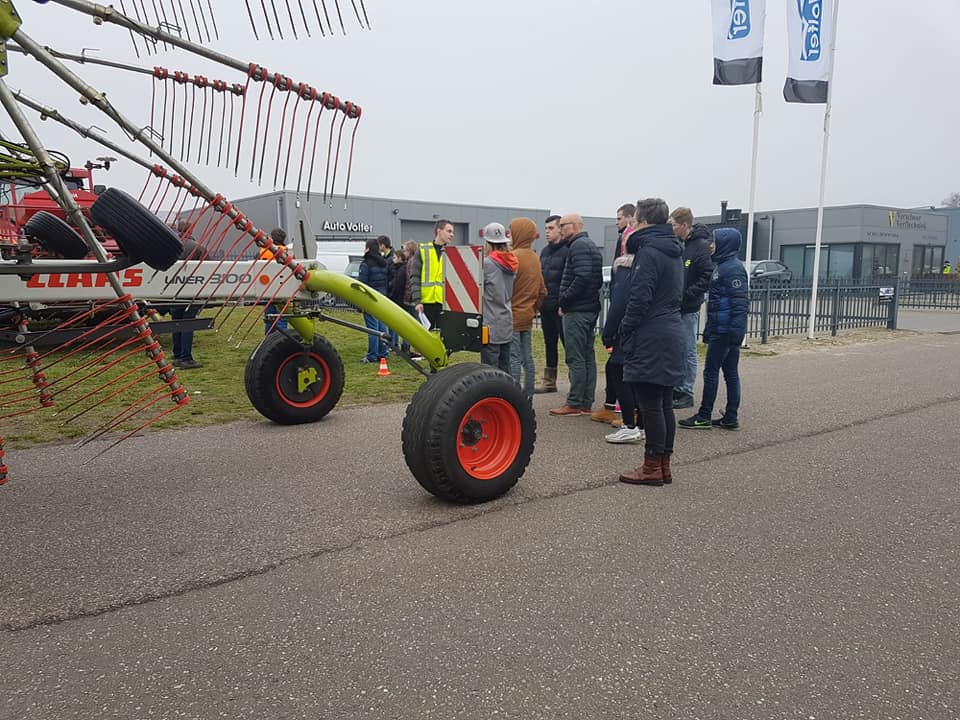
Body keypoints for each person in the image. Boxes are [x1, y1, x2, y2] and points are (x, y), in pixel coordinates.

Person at [617, 198, 685, 486]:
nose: (630, 226)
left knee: (650, 405)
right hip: (671, 329)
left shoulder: (648, 252)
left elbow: (639, 297)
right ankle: (663, 464)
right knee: (664, 402)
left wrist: (625, 328)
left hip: (651, 333)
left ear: (643, 222)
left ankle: (651, 467)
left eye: (633, 222)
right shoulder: (674, 251)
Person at [679, 228, 749, 431]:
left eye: (714, 242)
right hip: (721, 327)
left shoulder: (733, 269)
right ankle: (730, 416)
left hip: (725, 330)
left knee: (712, 371)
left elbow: (739, 303)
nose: (711, 245)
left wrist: (736, 332)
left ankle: (704, 415)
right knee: (729, 372)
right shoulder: (722, 266)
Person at [549, 214, 603, 416]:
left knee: (576, 357)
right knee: (587, 355)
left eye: (563, 225)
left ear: (574, 226)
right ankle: (586, 402)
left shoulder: (578, 246)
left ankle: (575, 402)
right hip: (588, 308)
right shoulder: (589, 245)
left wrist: (564, 300)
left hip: (578, 310)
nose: (560, 229)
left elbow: (582, 277)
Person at [593, 202, 636, 424]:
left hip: (629, 327)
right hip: (627, 325)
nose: (616, 222)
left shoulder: (630, 268)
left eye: (619, 218)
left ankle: (632, 419)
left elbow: (621, 301)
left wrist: (610, 330)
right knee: (614, 366)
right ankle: (612, 407)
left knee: (621, 368)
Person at [668, 207, 714, 410]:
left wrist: (686, 295)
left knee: (688, 349)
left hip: (688, 306)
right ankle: (677, 386)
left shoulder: (700, 246)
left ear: (684, 225)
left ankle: (687, 390)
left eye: (674, 225)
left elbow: (706, 276)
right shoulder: (682, 245)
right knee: (678, 348)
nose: (672, 229)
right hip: (678, 305)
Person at [600, 231, 643, 443]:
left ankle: (630, 423)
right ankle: (640, 423)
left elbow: (619, 305)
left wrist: (608, 333)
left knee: (619, 371)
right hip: (646, 331)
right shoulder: (653, 267)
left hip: (626, 332)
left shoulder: (626, 270)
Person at [508, 217, 546, 400]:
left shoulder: (513, 257)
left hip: (512, 315)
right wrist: (533, 308)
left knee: (513, 358)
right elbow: (542, 291)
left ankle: (514, 397)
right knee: (527, 358)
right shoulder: (535, 258)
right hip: (528, 315)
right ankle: (528, 395)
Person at [535, 214, 568, 394]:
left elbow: (567, 278)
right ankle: (549, 381)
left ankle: (576, 382)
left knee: (568, 344)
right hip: (546, 305)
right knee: (549, 343)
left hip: (561, 307)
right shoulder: (545, 252)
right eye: (546, 228)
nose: (547, 232)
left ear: (560, 230)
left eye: (551, 228)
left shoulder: (567, 250)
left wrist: (564, 302)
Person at [480, 222, 517, 371]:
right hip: (506, 320)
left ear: (488, 243)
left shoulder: (487, 264)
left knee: (490, 371)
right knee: (505, 367)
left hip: (489, 324)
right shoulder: (512, 262)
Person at [169, 235, 206, 369]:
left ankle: (177, 355)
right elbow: (209, 269)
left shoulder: (170, 246)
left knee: (176, 323)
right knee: (188, 324)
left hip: (173, 290)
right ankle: (186, 358)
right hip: (191, 291)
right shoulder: (198, 248)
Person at [410, 219, 454, 330]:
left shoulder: (453, 253)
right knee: (423, 338)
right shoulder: (423, 250)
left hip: (444, 304)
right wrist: (417, 301)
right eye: (449, 231)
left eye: (452, 232)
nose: (452, 235)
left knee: (445, 338)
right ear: (439, 231)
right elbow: (415, 277)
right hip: (425, 303)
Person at [358, 237, 389, 364]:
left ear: (368, 248)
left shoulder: (365, 264)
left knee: (372, 328)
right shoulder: (383, 263)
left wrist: (361, 302)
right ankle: (383, 353)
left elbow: (362, 285)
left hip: (369, 298)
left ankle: (372, 355)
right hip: (382, 297)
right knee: (382, 326)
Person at [262, 227, 290, 333]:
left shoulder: (264, 251)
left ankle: (268, 340)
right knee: (281, 318)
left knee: (269, 318)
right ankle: (281, 339)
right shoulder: (286, 252)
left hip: (266, 289)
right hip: (281, 288)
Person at [378, 235, 399, 348]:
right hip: (389, 291)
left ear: (382, 245)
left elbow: (392, 276)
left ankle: (393, 343)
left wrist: (388, 287)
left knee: (392, 320)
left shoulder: (390, 259)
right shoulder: (387, 257)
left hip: (391, 292)